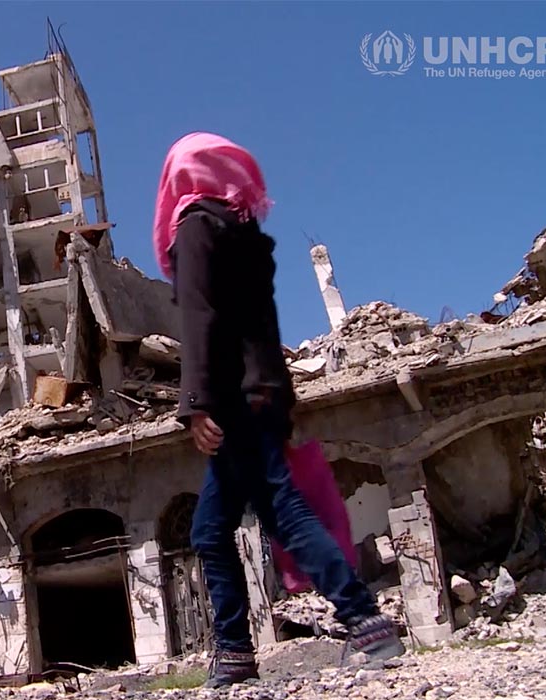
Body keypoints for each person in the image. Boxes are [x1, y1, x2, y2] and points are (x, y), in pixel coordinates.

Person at [153, 132, 405, 688]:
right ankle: (246, 649)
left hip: (231, 402)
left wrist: (195, 403)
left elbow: (198, 317)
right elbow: (266, 329)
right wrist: (280, 400)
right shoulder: (246, 234)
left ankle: (358, 620)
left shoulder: (196, 228)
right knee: (225, 525)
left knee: (259, 518)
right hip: (261, 395)